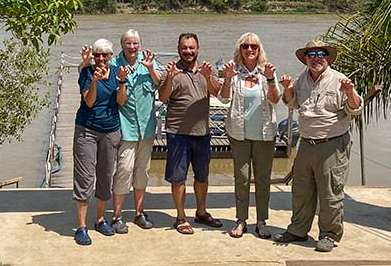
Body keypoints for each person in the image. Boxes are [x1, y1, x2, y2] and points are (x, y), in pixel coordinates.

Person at [274, 39, 362, 253]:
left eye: (321, 54)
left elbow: (355, 108)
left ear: (328, 57)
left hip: (332, 144)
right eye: (311, 54)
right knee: (301, 190)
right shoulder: (302, 79)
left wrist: (349, 92)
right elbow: (292, 102)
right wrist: (287, 88)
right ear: (305, 59)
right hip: (306, 144)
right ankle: (298, 230)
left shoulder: (340, 80)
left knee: (330, 192)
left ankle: (329, 235)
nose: (316, 58)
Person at [217, 32, 281, 239]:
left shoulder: (267, 70)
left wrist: (270, 80)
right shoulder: (233, 71)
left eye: (254, 46)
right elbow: (224, 99)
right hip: (239, 133)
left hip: (265, 134)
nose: (250, 49)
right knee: (242, 177)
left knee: (262, 178)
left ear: (259, 49)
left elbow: (275, 99)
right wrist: (227, 79)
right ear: (240, 49)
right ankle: (241, 220)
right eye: (245, 46)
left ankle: (261, 221)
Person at [159, 32, 223, 234]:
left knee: (202, 176)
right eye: (184, 47)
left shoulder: (206, 70)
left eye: (191, 47)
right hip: (178, 133)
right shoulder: (171, 71)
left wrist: (207, 76)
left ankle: (201, 212)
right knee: (178, 178)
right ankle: (180, 217)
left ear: (198, 49)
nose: (188, 51)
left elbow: (217, 92)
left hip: (202, 132)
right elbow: (162, 96)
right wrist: (169, 78)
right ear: (179, 49)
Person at [72, 39, 129, 246]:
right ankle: (81, 226)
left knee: (105, 175)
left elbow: (121, 101)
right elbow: (89, 101)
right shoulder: (87, 72)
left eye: (105, 55)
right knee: (85, 177)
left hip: (110, 131)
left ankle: (100, 219)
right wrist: (95, 81)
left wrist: (122, 82)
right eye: (97, 55)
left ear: (111, 56)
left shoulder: (116, 73)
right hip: (86, 130)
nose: (101, 59)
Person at [109, 29, 163, 233]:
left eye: (136, 43)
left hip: (146, 128)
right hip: (126, 128)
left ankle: (140, 213)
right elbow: (119, 100)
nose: (132, 47)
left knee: (143, 171)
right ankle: (116, 216)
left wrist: (150, 69)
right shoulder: (114, 65)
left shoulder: (148, 60)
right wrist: (122, 80)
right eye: (128, 43)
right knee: (124, 170)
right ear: (122, 45)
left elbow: (159, 83)